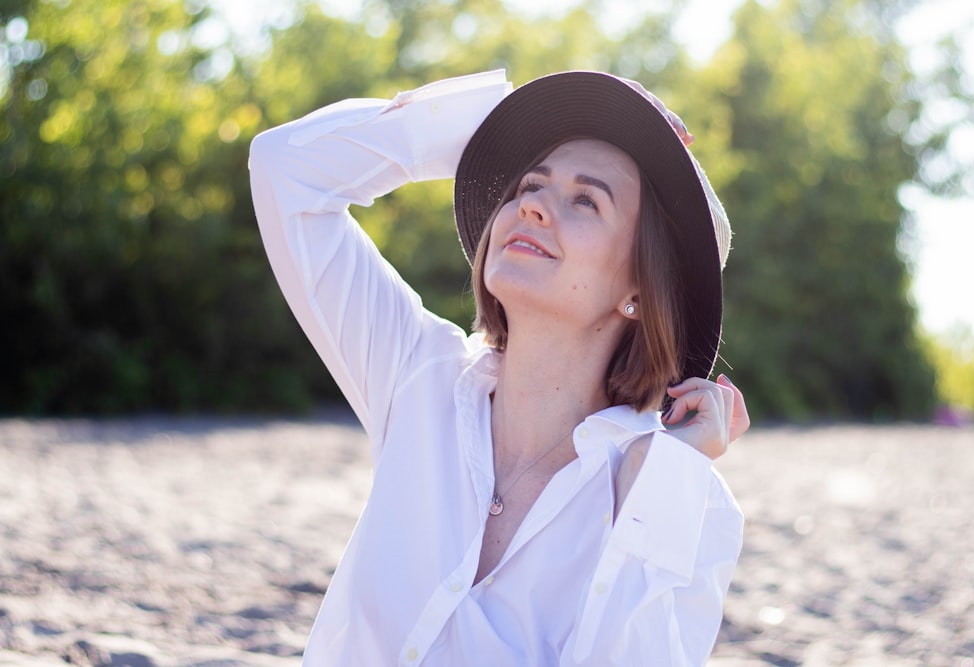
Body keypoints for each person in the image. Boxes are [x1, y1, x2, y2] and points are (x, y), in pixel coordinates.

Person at [249, 69, 750, 666]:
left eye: (585, 200)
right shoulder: (417, 373)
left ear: (640, 287)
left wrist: (663, 476)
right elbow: (285, 168)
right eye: (527, 185)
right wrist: (492, 123)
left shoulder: (682, 497)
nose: (533, 204)